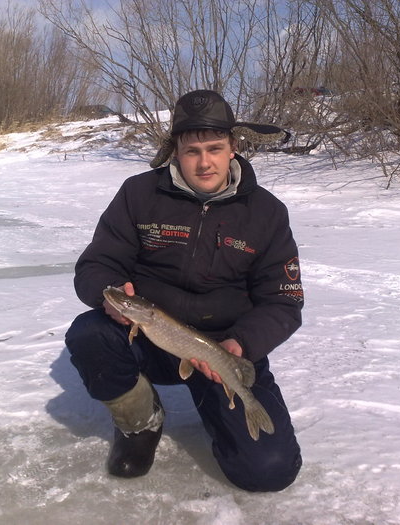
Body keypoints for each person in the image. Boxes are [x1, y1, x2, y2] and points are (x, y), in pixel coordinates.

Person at [64, 90, 304, 492]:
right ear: (176, 150)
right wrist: (109, 294)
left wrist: (239, 345)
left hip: (223, 349)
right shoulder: (139, 194)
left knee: (269, 471)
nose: (204, 161)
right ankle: (141, 423)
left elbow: (283, 301)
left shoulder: (266, 213)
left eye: (215, 148)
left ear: (233, 148)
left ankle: (223, 413)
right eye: (192, 150)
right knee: (89, 335)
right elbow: (96, 265)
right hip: (149, 335)